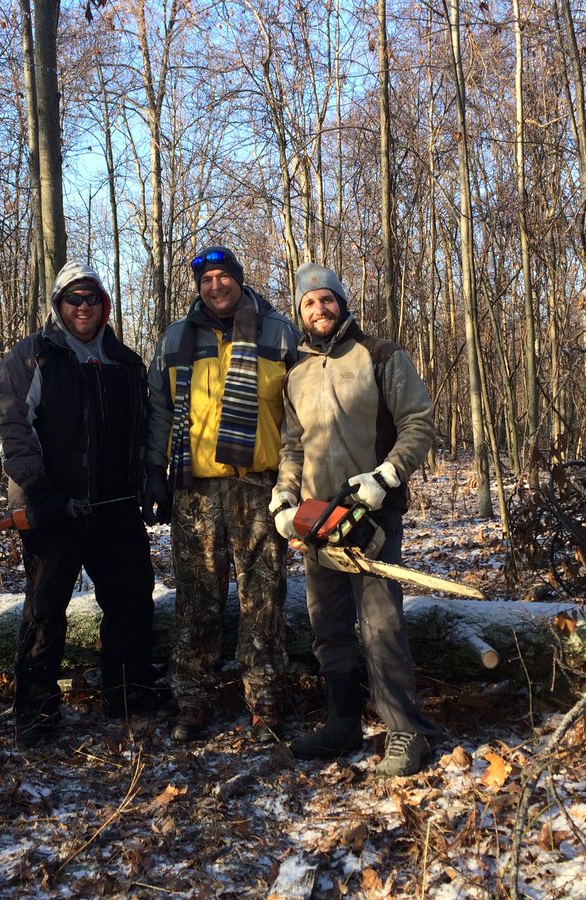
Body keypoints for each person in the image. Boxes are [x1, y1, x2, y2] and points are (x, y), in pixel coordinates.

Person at [271, 261, 437, 777]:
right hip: (318, 523)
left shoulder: (380, 355)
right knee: (329, 627)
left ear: (341, 302)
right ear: (300, 312)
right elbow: (293, 444)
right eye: (309, 303)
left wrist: (386, 476)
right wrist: (284, 497)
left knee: (382, 624)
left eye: (327, 298)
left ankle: (407, 732)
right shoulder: (295, 372)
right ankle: (342, 723)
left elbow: (418, 422)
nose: (319, 309)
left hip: (372, 514)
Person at [0, 260, 157, 748]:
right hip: (54, 510)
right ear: (58, 306)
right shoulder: (30, 359)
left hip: (117, 508)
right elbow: (13, 433)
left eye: (91, 299)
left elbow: (146, 430)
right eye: (73, 299)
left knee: (131, 602)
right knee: (45, 609)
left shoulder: (125, 362)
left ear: (104, 306)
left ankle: (128, 695)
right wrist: (41, 496)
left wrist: (150, 483)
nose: (83, 307)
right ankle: (36, 709)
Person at [144, 245, 301, 743]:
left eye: (223, 277)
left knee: (263, 600)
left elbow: (300, 414)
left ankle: (267, 700)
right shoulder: (176, 338)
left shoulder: (278, 331)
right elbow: (160, 411)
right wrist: (153, 471)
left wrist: (300, 481)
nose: (216, 286)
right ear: (199, 287)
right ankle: (192, 699)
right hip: (195, 489)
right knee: (196, 601)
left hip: (259, 485)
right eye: (207, 279)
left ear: (238, 279)